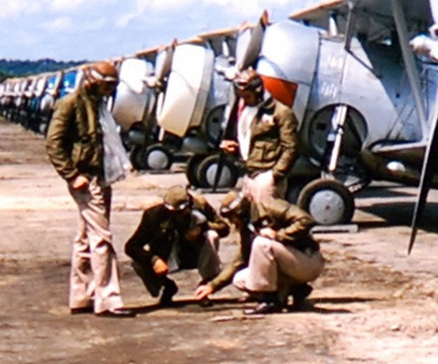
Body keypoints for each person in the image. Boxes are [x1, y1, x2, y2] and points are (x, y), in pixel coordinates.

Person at [45, 60, 133, 317]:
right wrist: (72, 176)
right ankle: (108, 299)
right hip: (86, 179)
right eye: (107, 85)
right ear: (93, 81)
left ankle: (81, 296)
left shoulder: (98, 106)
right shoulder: (71, 104)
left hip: (100, 176)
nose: (110, 90)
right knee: (101, 238)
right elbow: (54, 143)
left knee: (85, 239)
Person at [194, 193, 323, 314]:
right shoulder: (247, 228)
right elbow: (240, 261)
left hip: (308, 260)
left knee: (261, 243)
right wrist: (212, 286)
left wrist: (279, 235)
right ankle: (295, 289)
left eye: (231, 218)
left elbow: (306, 220)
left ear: (240, 213)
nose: (232, 223)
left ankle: (270, 301)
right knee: (240, 279)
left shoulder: (272, 207)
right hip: (289, 264)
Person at [124, 185, 228, 307]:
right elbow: (131, 246)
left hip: (195, 253)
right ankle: (167, 286)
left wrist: (203, 228)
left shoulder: (200, 205)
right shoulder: (153, 216)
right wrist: (153, 260)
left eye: (180, 212)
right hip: (168, 255)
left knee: (212, 235)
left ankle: (205, 286)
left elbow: (224, 228)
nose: (176, 215)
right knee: (138, 262)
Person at [221, 69, 299, 205]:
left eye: (248, 96)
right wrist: (234, 150)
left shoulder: (281, 113)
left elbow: (291, 148)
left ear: (258, 92)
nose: (244, 100)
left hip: (266, 177)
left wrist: (274, 175)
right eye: (241, 96)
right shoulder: (245, 111)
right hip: (248, 173)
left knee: (268, 221)